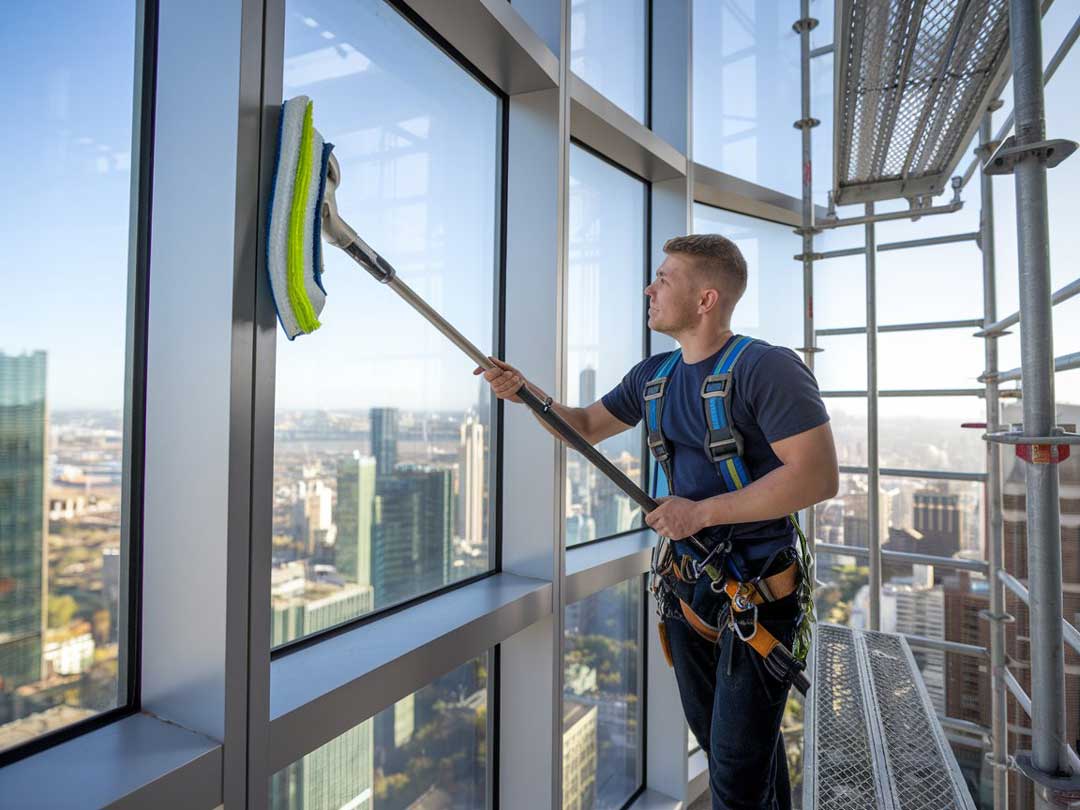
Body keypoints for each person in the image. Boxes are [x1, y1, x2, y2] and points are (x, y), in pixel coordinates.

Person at [476, 233, 838, 809]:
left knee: (736, 774)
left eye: (664, 278)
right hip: (688, 591)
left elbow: (817, 477)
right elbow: (584, 427)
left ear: (706, 299)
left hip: (758, 594)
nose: (649, 287)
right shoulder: (655, 376)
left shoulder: (768, 369)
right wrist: (525, 393)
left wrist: (700, 512)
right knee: (734, 756)